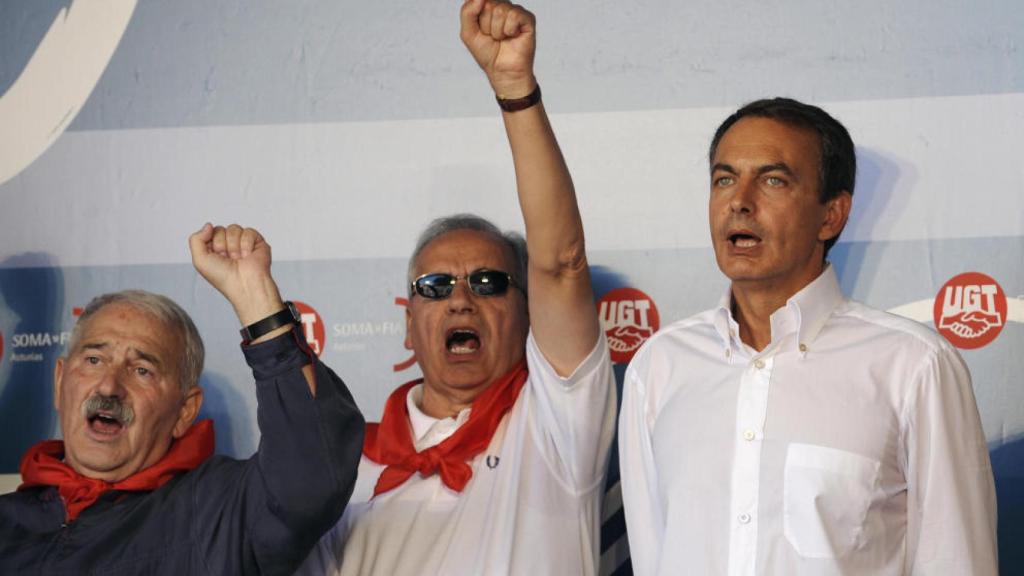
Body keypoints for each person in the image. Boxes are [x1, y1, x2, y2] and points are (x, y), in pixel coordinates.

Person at [298, 1, 616, 574]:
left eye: (491, 283)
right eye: (436, 285)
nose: (461, 299)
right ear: (409, 322)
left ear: (529, 313)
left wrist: (514, 87)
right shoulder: (345, 466)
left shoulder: (557, 423)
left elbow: (562, 263)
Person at [619, 98, 998, 575]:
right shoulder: (659, 367)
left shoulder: (913, 366)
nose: (739, 200)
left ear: (831, 216)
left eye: (773, 180)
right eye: (724, 178)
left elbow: (958, 563)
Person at [0, 223, 364, 575]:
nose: (109, 387)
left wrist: (256, 300)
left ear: (184, 411)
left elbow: (310, 476)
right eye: (94, 360)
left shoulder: (216, 514)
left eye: (141, 370)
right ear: (60, 381)